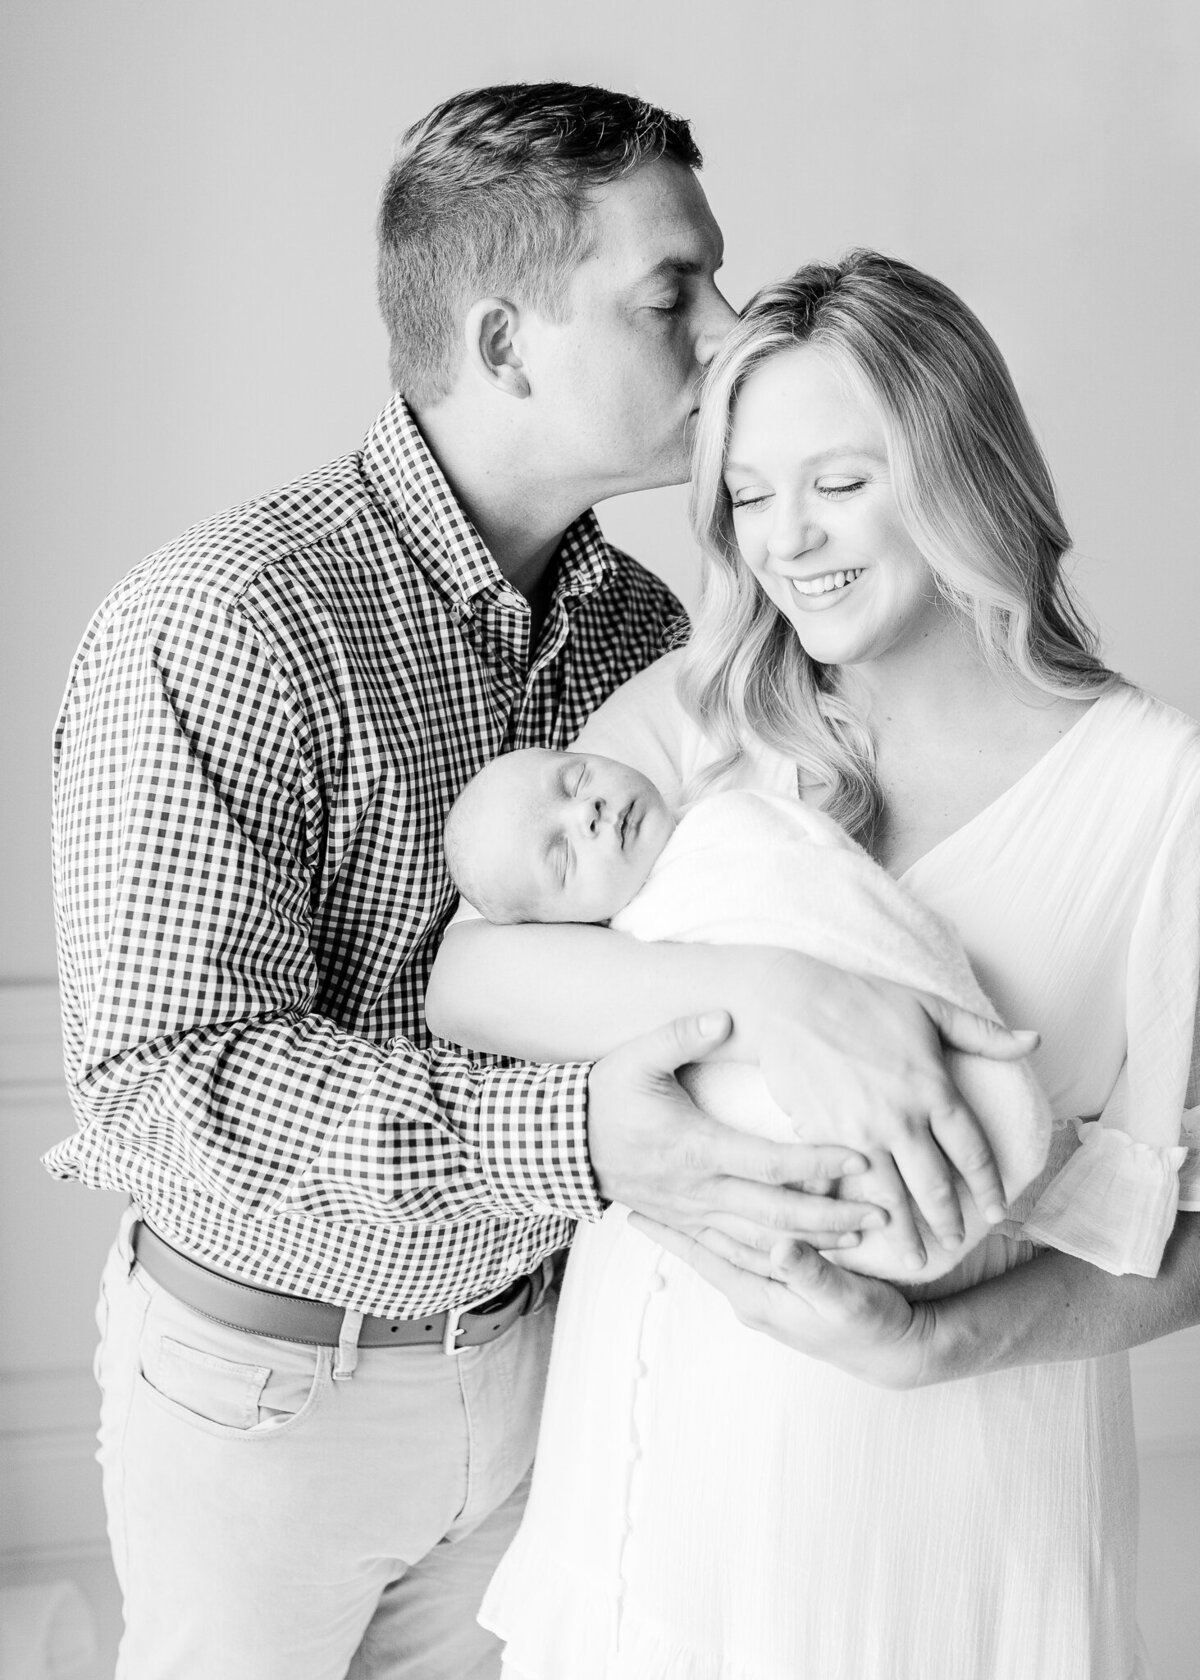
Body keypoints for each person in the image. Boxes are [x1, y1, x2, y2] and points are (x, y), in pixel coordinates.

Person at [45, 87, 1029, 1679]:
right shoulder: (225, 618)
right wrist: (583, 1137)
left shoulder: (651, 635)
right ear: (504, 346)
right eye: (671, 293)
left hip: (552, 1376)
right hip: (268, 1399)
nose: (725, 333)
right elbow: (164, 1084)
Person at [428, 252, 1200, 1680]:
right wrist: (790, 997)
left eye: (840, 484)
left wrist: (933, 1349)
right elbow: (470, 981)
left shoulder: (1164, 797)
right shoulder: (705, 709)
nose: (789, 541)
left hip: (949, 1519)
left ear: (966, 468)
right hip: (657, 1502)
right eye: (748, 494)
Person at [442, 744, 1052, 1282]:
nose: (587, 812)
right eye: (562, 857)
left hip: (950, 1081)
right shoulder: (618, 968)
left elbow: (849, 898)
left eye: (574, 780)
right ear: (558, 927)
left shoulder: (736, 820)